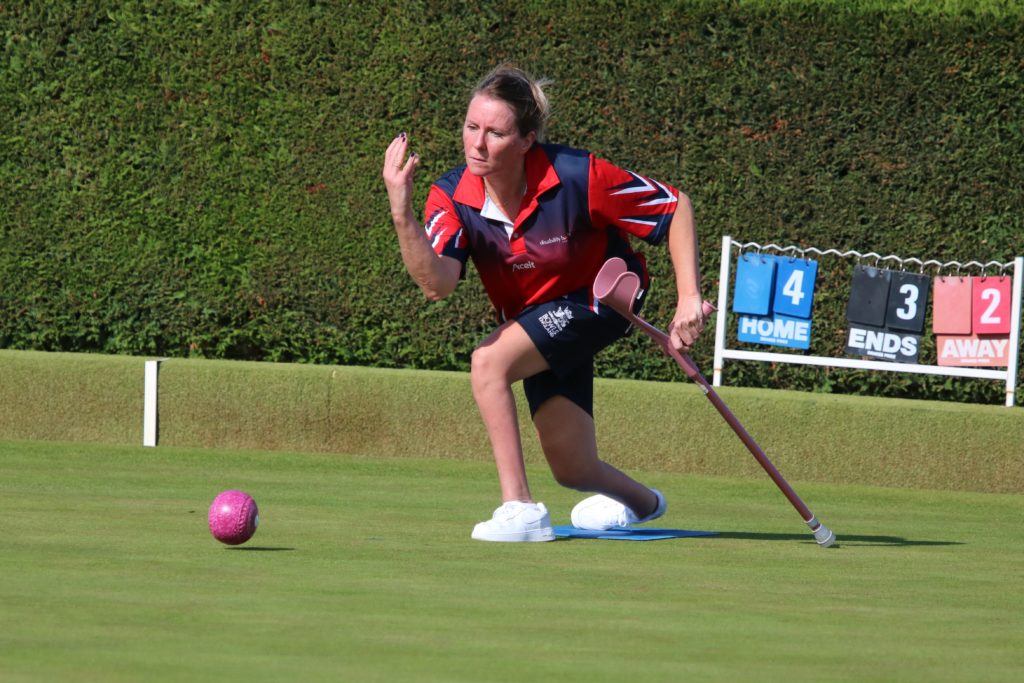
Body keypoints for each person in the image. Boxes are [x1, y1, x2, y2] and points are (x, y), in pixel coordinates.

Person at [382, 64, 704, 542]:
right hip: (537, 317)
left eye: (496, 132)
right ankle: (643, 503)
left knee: (489, 362)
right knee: (573, 467)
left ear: (528, 139)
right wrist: (401, 209)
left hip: (605, 293)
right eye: (472, 127)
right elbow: (438, 283)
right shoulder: (450, 196)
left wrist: (689, 297)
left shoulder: (578, 175)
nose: (478, 143)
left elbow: (673, 206)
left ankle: (521, 509)